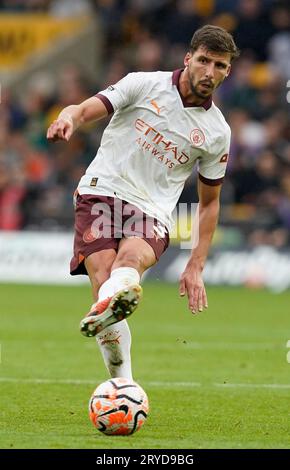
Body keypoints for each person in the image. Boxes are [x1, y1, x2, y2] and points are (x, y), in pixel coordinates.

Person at [47, 25, 239, 380]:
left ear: (228, 71)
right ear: (188, 59)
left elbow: (210, 202)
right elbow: (87, 108)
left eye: (220, 66)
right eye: (204, 61)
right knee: (104, 280)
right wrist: (68, 118)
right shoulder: (143, 84)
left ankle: (115, 315)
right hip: (101, 191)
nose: (210, 72)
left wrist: (196, 264)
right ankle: (124, 385)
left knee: (130, 260)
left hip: (151, 210)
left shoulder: (217, 133)